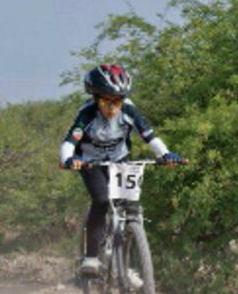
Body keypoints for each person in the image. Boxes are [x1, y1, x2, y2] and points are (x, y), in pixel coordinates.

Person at [58, 63, 183, 274]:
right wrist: (68, 159)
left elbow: (149, 136)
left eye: (117, 101)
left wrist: (165, 154)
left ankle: (129, 268)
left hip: (120, 159)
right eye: (106, 101)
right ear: (95, 98)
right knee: (101, 200)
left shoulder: (129, 110)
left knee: (132, 208)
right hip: (90, 162)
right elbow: (70, 142)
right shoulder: (87, 114)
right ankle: (91, 257)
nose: (112, 108)